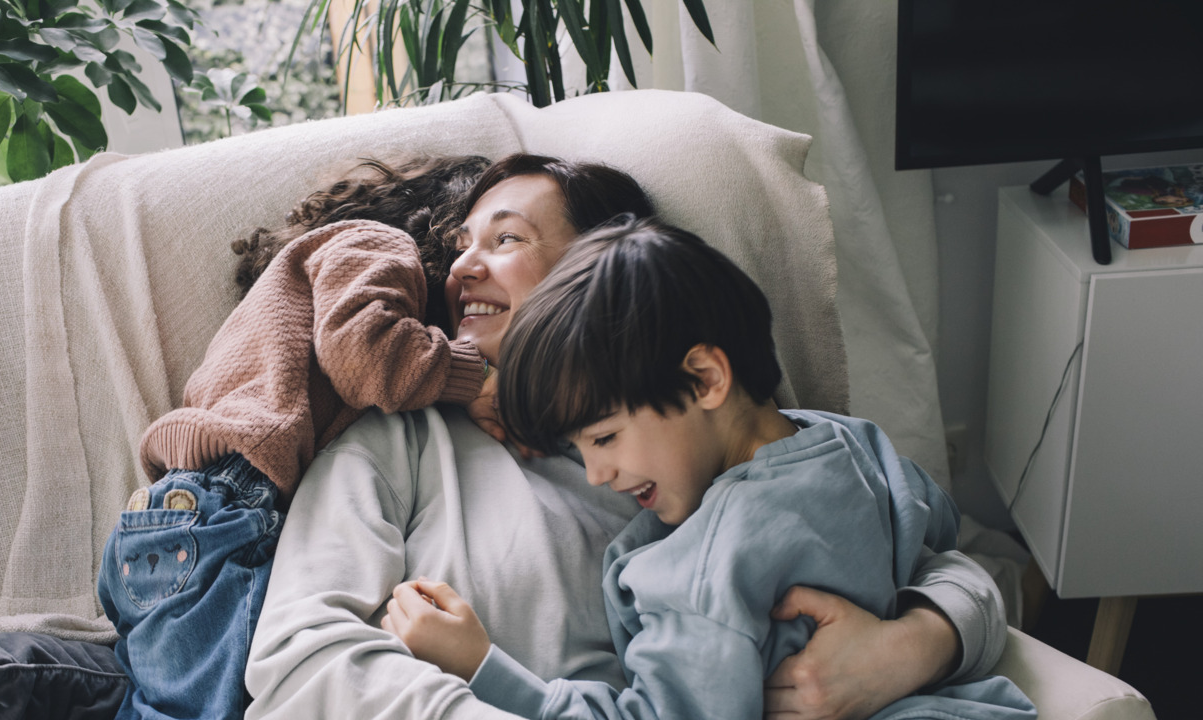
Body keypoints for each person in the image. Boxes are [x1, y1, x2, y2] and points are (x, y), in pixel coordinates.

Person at [242, 155, 1011, 720]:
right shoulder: (400, 443)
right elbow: (300, 658)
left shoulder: (717, 436)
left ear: (599, 260)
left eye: (506, 240)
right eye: (460, 245)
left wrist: (916, 643)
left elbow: (939, 561)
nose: (463, 266)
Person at [94, 155, 498, 720]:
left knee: (157, 702)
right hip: (228, 512)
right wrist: (472, 377)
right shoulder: (376, 244)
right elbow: (364, 354)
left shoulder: (307, 271)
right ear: (441, 228)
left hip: (169, 516)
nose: (474, 268)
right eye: (470, 241)